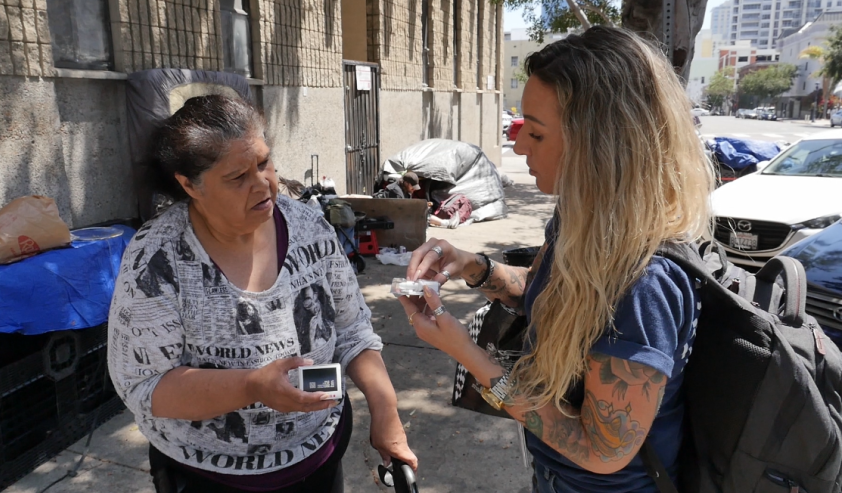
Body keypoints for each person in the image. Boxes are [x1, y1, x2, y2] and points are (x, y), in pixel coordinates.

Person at [397, 27, 714, 492]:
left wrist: (467, 352)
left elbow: (601, 451)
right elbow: (547, 294)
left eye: (537, 133)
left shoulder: (645, 282)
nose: (520, 146)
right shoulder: (580, 220)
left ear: (601, 146)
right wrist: (471, 265)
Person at [107, 94, 416, 493]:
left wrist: (385, 409)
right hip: (209, 478)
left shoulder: (308, 226)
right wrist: (252, 386)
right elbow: (143, 385)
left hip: (319, 456)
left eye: (264, 162)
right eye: (238, 177)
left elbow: (352, 329)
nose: (264, 185)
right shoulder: (157, 260)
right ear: (190, 185)